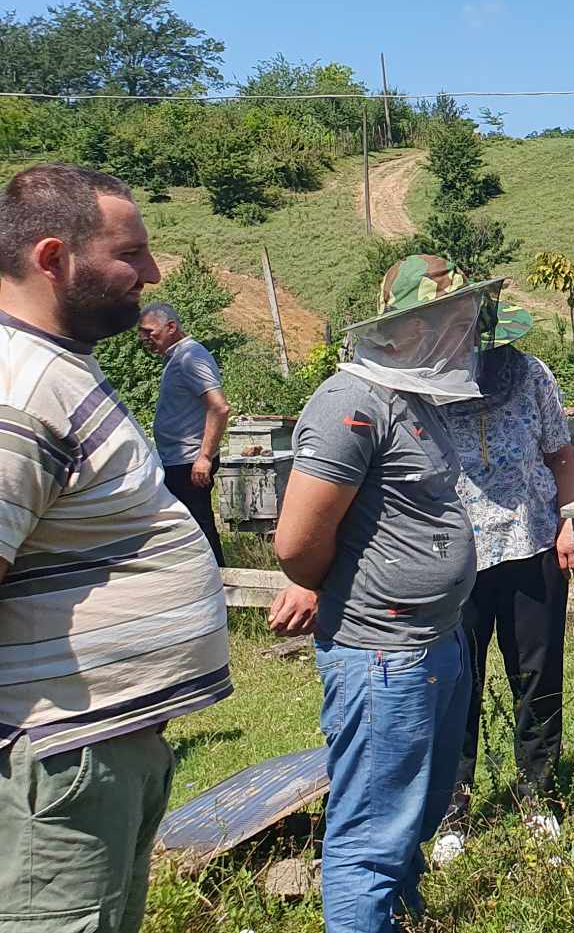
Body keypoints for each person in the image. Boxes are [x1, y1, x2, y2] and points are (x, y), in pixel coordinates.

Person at [0, 164, 233, 933]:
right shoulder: (21, 386)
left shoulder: (57, 366)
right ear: (53, 258)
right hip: (59, 759)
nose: (152, 273)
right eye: (130, 253)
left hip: (95, 747)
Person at [267, 259, 493, 933]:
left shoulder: (415, 397)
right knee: (371, 833)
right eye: (454, 319)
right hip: (383, 654)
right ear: (410, 328)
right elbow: (297, 543)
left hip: (436, 641)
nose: (467, 333)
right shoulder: (349, 403)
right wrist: (342, 588)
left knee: (413, 813)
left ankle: (397, 917)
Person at [430, 261, 574, 824]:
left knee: (538, 676)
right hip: (456, 556)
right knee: (457, 681)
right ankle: (454, 806)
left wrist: (568, 524)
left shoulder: (532, 375)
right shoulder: (426, 388)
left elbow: (561, 456)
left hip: (532, 543)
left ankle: (539, 796)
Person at [138, 302, 230, 565]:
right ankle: (209, 578)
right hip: (180, 460)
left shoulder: (191, 356)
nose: (145, 339)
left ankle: (218, 580)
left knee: (197, 527)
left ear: (171, 327)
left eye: (149, 332)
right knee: (189, 527)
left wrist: (204, 457)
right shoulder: (177, 358)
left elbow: (219, 407)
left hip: (190, 462)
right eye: (141, 334)